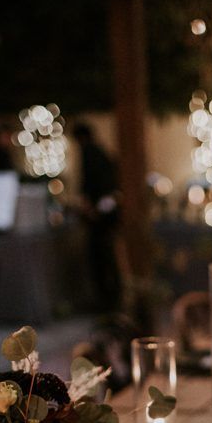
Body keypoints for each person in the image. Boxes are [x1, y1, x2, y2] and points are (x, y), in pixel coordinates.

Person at [72, 122, 123, 314]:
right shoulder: (101, 152)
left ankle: (107, 301)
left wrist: (92, 210)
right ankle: (113, 298)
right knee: (107, 257)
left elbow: (91, 186)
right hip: (108, 216)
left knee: (101, 259)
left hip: (100, 219)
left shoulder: (89, 153)